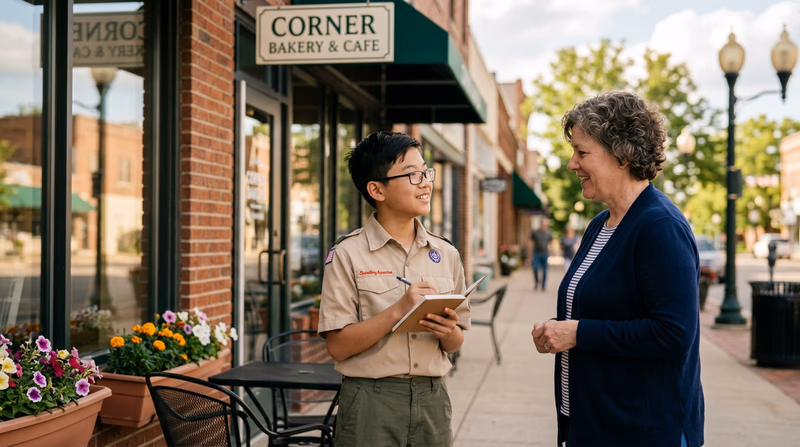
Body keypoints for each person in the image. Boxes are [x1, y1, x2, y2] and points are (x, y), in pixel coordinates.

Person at [531, 91, 704, 447]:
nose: (571, 164)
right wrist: (558, 330)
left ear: (622, 154)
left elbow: (673, 333)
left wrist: (578, 333)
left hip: (643, 430)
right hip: (595, 423)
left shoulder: (660, 226)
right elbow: (604, 308)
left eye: (582, 152)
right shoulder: (601, 224)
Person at [318, 132, 470, 447]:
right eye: (413, 175)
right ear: (377, 189)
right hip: (370, 403)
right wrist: (400, 310)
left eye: (426, 172)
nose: (426, 183)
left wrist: (447, 331)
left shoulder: (447, 254)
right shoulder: (347, 254)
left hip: (432, 400)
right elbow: (338, 346)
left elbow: (455, 343)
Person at [529, 218, 553, 290]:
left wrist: (551, 251)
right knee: (535, 268)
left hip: (545, 253)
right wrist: (530, 252)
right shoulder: (535, 232)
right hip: (536, 253)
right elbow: (531, 242)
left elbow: (550, 242)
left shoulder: (549, 232)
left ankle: (543, 285)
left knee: (545, 270)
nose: (544, 226)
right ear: (541, 224)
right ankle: (536, 282)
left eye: (545, 225)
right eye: (543, 224)